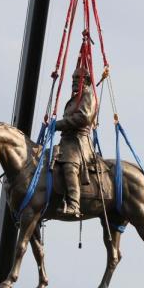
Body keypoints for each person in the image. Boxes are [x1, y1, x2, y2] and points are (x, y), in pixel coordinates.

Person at [54, 65, 98, 218]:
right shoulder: (74, 99)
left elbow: (83, 118)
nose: (73, 81)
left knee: (69, 165)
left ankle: (74, 205)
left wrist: (57, 125)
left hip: (78, 142)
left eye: (77, 78)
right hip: (66, 141)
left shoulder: (88, 95)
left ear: (86, 80)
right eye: (73, 78)